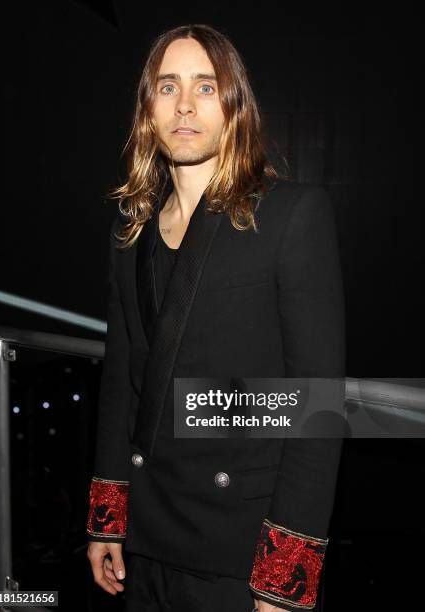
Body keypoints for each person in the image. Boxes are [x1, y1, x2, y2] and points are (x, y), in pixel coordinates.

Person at [86, 23, 345, 612]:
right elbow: (121, 384)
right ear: (147, 108)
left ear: (234, 105)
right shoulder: (130, 231)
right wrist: (107, 516)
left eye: (206, 87)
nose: (184, 105)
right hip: (146, 540)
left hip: (241, 550)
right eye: (167, 86)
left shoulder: (292, 216)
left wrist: (284, 577)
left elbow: (317, 406)